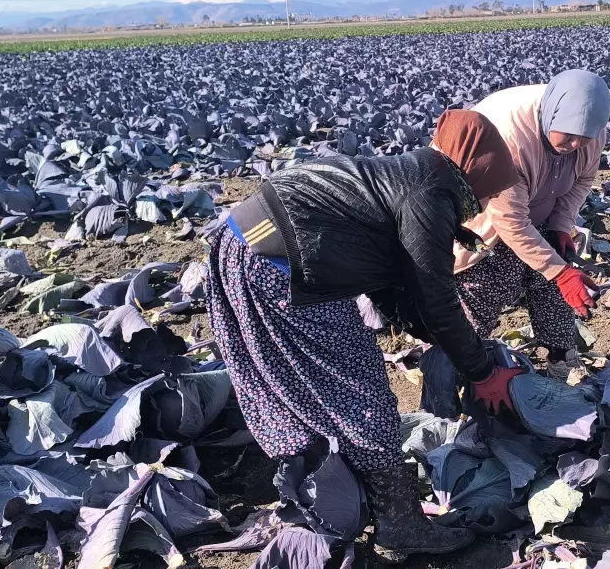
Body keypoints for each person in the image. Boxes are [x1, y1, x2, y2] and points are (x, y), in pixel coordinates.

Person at [205, 110, 522, 564]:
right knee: (361, 390)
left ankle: (330, 485)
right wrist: (481, 370)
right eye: (493, 184)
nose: (492, 197)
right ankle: (400, 523)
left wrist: (428, 333)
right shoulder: (430, 193)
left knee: (287, 378)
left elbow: (392, 275)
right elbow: (435, 296)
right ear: (477, 168)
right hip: (284, 268)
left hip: (244, 243)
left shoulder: (411, 172)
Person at [454, 70, 610, 379]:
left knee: (558, 278)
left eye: (585, 137)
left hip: (538, 207)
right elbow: (509, 220)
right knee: (486, 285)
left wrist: (562, 226)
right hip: (483, 217)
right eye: (568, 135)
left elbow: (583, 179)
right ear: (550, 115)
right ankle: (466, 368)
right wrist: (559, 272)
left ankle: (561, 356)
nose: (576, 143)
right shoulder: (508, 138)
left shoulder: (591, 130)